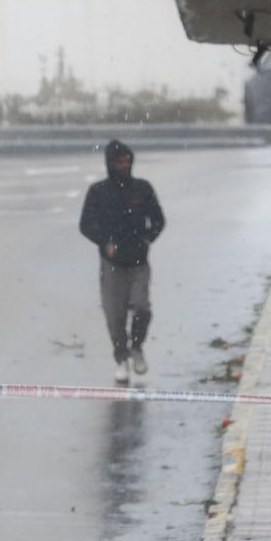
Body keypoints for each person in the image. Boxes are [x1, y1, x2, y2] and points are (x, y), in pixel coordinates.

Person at [79, 139, 166, 384]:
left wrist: (147, 240)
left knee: (142, 307)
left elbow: (158, 219)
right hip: (112, 264)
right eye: (119, 161)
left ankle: (137, 347)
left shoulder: (142, 188)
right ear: (110, 163)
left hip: (139, 262)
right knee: (114, 316)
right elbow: (85, 225)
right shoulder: (98, 192)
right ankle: (121, 358)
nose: (124, 165)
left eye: (127, 161)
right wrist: (104, 242)